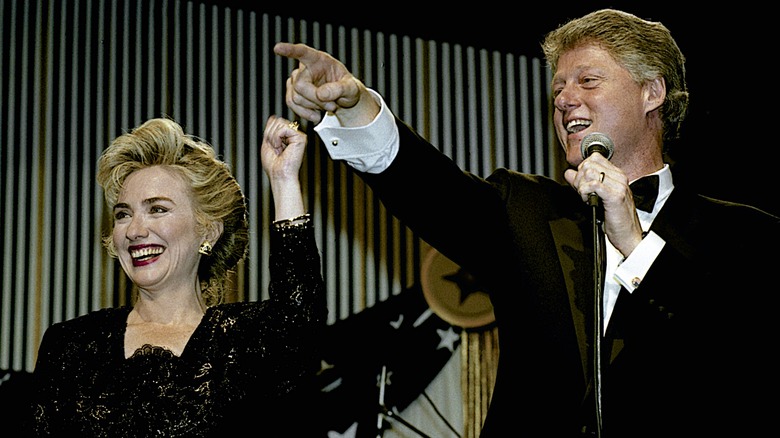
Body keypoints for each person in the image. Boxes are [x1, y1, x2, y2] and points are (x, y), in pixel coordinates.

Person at [274, 8, 780, 437]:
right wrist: (357, 105)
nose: (562, 99)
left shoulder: (745, 236)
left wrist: (632, 239)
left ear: (651, 92)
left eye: (587, 80)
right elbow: (429, 190)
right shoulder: (525, 209)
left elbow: (731, 355)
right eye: (558, 86)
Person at [25, 115, 327, 436]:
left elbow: (301, 318)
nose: (135, 230)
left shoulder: (245, 342)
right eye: (123, 214)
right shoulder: (70, 345)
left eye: (157, 209)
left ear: (207, 229)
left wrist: (282, 179)